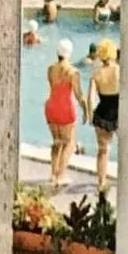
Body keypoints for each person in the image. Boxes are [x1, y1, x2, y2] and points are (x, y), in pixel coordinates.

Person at [43, 38, 86, 186]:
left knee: (57, 142)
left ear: (58, 52)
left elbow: (53, 88)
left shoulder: (50, 69)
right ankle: (61, 175)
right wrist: (86, 110)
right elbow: (78, 94)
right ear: (70, 53)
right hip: (65, 109)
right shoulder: (73, 72)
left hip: (51, 107)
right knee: (69, 143)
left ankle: (53, 174)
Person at [87, 38, 120, 193]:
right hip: (119, 111)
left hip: (102, 113)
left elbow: (90, 98)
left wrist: (89, 115)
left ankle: (101, 182)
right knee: (126, 147)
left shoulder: (96, 73)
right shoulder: (119, 70)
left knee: (103, 150)